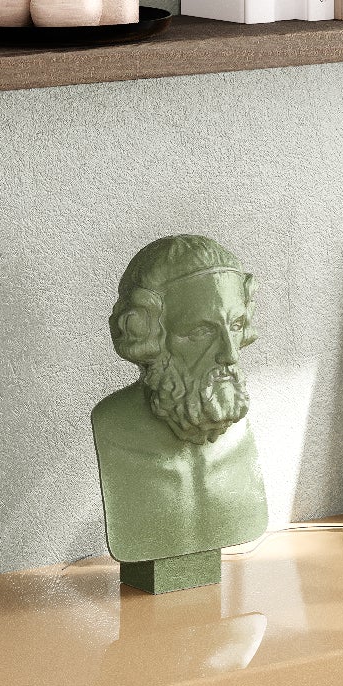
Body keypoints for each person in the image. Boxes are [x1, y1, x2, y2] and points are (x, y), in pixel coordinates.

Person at [90, 234, 269, 592]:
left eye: (235, 325)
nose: (230, 354)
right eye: (202, 331)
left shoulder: (235, 415)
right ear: (152, 336)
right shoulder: (112, 424)